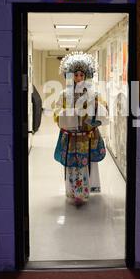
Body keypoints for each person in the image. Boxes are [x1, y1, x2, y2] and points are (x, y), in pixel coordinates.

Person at [53, 51, 108, 206]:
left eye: (81, 75)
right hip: (70, 137)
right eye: (75, 75)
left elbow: (104, 109)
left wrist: (98, 107)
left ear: (86, 76)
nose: (78, 78)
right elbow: (56, 112)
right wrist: (65, 115)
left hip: (87, 136)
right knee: (71, 164)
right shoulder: (64, 94)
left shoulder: (93, 93)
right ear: (69, 76)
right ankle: (72, 191)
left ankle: (85, 190)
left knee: (87, 162)